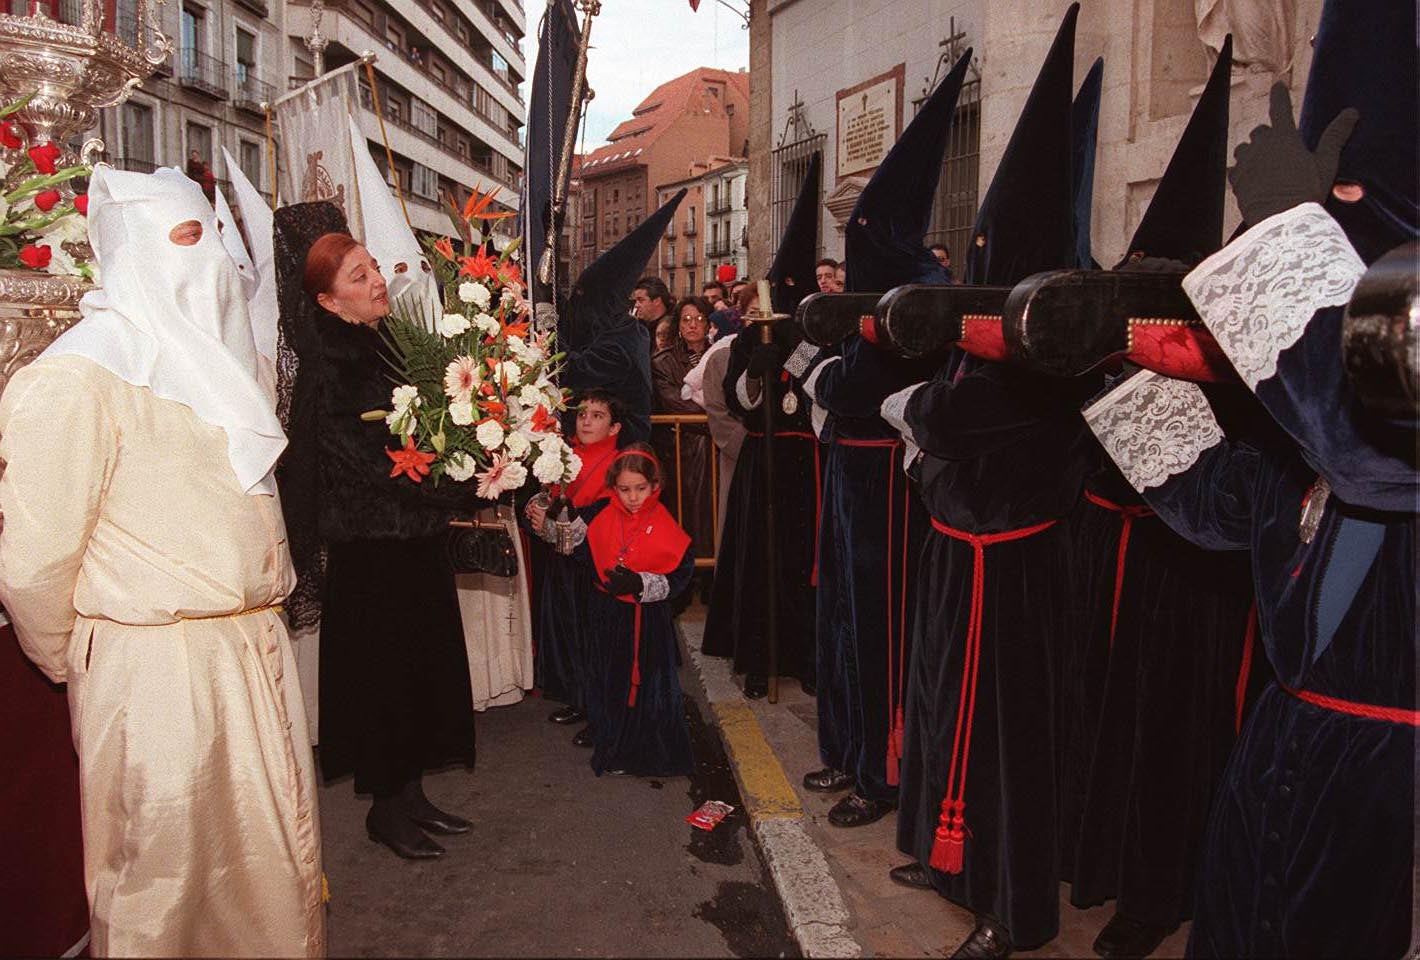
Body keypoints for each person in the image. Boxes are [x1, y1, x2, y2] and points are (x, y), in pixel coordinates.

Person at [1085, 3, 1416, 955]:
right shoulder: (1314, 428)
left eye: (1339, 208)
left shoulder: (1369, 413)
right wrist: (1114, 362)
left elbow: (1371, 449)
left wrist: (1282, 233)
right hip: (1285, 759)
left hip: (1392, 804)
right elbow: (1214, 504)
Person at [0, 166, 323, 954]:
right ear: (133, 251)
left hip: (250, 651)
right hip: (156, 671)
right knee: (162, 888)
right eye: (186, 238)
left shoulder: (210, 367)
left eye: (214, 233)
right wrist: (91, 659)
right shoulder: (75, 378)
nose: (210, 256)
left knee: (271, 878)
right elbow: (35, 565)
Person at [881, 9, 1103, 956]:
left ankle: (1011, 907)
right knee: (945, 716)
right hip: (961, 558)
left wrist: (928, 430)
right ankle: (951, 859)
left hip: (1010, 578)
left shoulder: (1043, 353)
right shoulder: (990, 346)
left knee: (1009, 746)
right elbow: (937, 412)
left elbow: (940, 418)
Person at [1059, 41, 1260, 960]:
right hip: (1127, 562)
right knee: (1116, 724)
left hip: (1205, 587)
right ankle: (1107, 862)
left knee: (1177, 741)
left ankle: (1158, 889)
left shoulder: (1237, 368)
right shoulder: (1123, 357)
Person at [791, 56, 969, 831]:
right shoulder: (882, 298)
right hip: (845, 479)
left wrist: (827, 373)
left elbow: (846, 386)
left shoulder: (914, 303)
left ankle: (881, 771)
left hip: (885, 493)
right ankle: (846, 750)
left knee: (878, 632)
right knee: (837, 620)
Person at [276, 209, 476, 863]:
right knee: (385, 683)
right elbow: (382, 464)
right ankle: (386, 813)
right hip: (372, 552)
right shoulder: (331, 369)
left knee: (424, 673)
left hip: (413, 539)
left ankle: (412, 795)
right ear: (328, 300)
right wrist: (460, 485)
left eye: (372, 266)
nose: (376, 280)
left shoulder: (391, 344)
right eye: (359, 275)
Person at [702, 274, 822, 699]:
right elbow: (737, 400)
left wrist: (791, 364)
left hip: (805, 463)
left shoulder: (813, 339)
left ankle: (807, 657)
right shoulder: (745, 342)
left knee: (803, 559)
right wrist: (755, 373)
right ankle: (759, 659)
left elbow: (816, 393)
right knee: (759, 559)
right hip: (761, 459)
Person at [575, 445, 696, 776]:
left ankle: (645, 754)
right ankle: (612, 745)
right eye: (624, 489)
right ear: (613, 488)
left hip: (647, 622)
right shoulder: (601, 519)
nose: (632, 497)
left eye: (640, 489)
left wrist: (639, 584)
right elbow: (584, 555)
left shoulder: (665, 524)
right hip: (607, 617)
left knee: (647, 689)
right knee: (607, 682)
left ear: (655, 486)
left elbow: (680, 577)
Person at [525, 390, 625, 742]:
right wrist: (539, 511)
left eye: (597, 416)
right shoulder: (563, 456)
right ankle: (578, 700)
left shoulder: (617, 464)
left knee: (592, 636)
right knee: (568, 630)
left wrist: (559, 524)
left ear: (614, 428)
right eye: (582, 414)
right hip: (563, 561)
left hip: (592, 564)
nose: (586, 420)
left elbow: (604, 513)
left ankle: (600, 714)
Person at [560, 192, 686, 445]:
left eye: (585, 297)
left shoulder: (623, 341)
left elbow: (574, 372)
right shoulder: (614, 329)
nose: (579, 306)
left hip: (619, 454)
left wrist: (549, 340)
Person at [652, 296, 716, 566]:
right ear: (678, 325)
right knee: (685, 513)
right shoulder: (664, 361)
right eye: (687, 319)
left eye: (699, 319)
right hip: (683, 446)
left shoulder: (722, 354)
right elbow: (674, 402)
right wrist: (717, 417)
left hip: (716, 445)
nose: (693, 325)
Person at [631, 275, 674, 346]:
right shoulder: (637, 328)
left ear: (657, 301)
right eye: (636, 300)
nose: (636, 305)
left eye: (641, 300)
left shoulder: (673, 330)